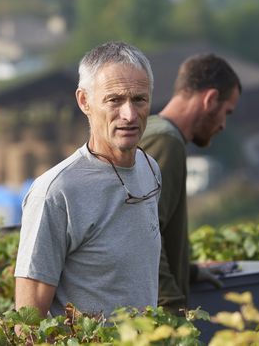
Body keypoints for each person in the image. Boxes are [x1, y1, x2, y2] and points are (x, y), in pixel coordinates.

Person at [14, 41, 162, 317]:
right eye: (114, 100)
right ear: (84, 101)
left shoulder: (149, 169)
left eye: (139, 99)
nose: (129, 115)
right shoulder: (57, 192)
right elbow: (27, 320)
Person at [139, 53, 242, 311]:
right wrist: (172, 308)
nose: (223, 125)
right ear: (210, 99)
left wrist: (189, 271)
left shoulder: (153, 131)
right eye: (226, 112)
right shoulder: (166, 142)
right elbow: (143, 232)